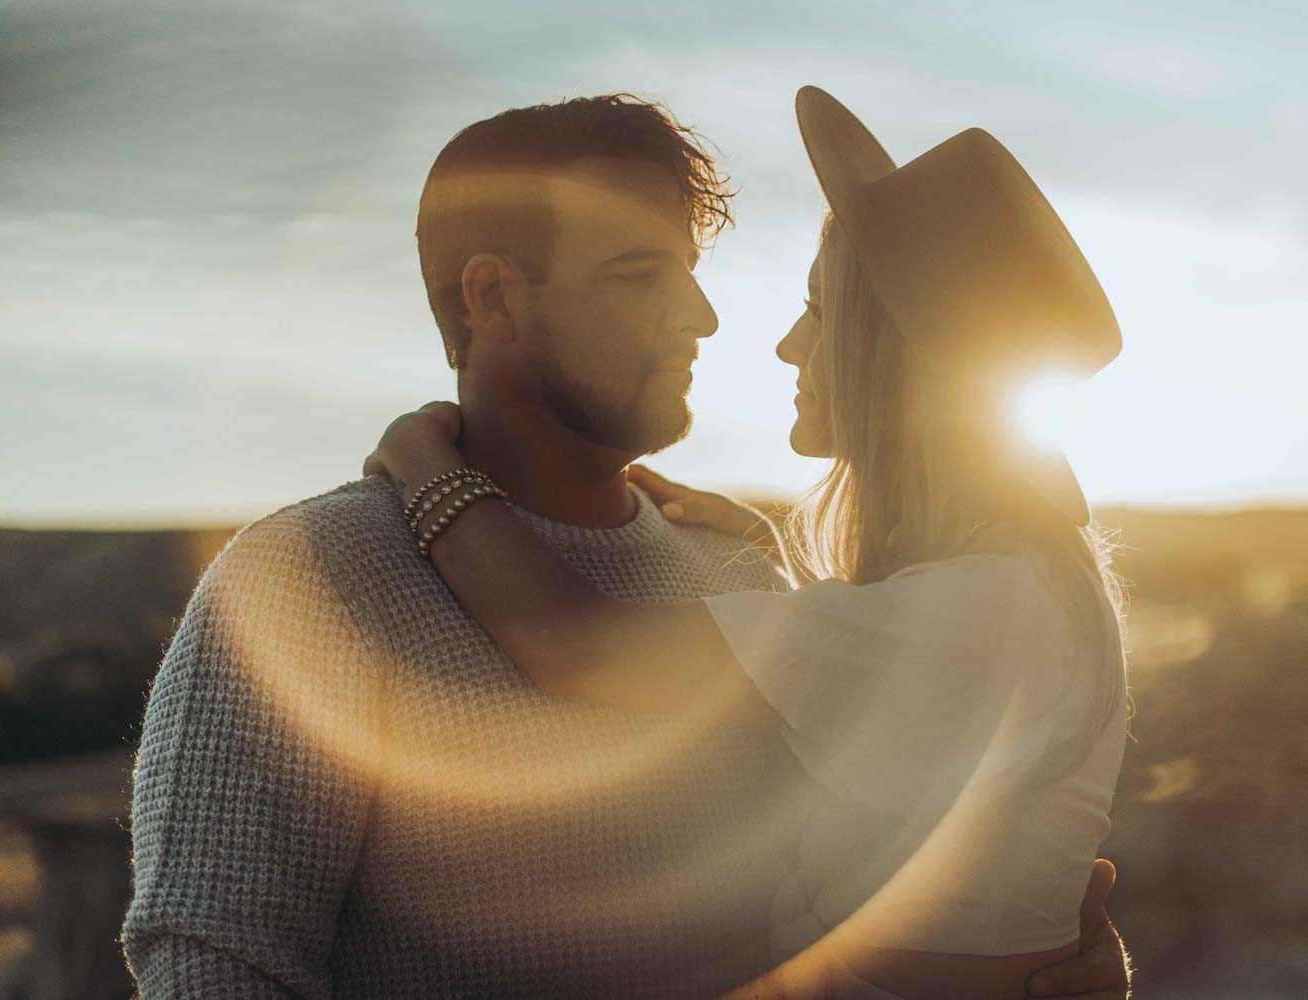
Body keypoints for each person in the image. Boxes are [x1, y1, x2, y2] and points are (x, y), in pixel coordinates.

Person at [122, 93, 1129, 998]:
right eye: (642, 274)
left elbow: (882, 890)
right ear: (496, 299)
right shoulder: (308, 583)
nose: (704, 317)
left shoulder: (749, 579)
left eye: (688, 272)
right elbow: (217, 961)